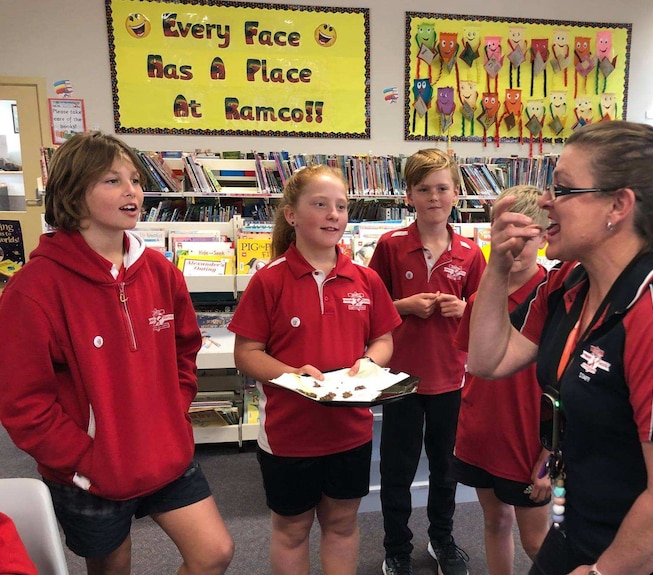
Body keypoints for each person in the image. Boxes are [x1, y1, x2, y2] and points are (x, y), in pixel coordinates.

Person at [467, 121, 653, 575]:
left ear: (618, 204)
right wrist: (496, 269)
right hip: (592, 524)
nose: (546, 201)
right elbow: (488, 360)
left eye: (563, 188)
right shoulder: (571, 282)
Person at [0, 131, 234, 575]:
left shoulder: (161, 271)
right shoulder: (33, 289)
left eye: (134, 179)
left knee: (214, 553)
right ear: (72, 193)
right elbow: (22, 402)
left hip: (166, 452)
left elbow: (186, 347)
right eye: (112, 180)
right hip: (92, 471)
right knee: (112, 570)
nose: (133, 191)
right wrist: (83, 458)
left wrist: (175, 412)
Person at [229, 165, 401, 575]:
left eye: (341, 206)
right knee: (292, 529)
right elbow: (246, 353)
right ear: (291, 215)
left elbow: (384, 340)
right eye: (320, 204)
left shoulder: (366, 279)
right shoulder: (269, 281)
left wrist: (370, 362)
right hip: (290, 436)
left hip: (350, 431)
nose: (333, 215)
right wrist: (291, 375)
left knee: (342, 525)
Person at [369, 148, 486, 575]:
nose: (434, 197)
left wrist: (464, 309)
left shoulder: (471, 252)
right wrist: (402, 305)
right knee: (396, 468)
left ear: (457, 192)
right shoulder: (391, 245)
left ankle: (443, 538)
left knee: (445, 467)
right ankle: (396, 547)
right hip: (400, 379)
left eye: (442, 188)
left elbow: (483, 310)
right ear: (409, 195)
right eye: (424, 189)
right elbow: (370, 305)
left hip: (451, 378)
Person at [453, 185, 551, 575]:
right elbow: (471, 362)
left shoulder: (553, 297)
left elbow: (565, 388)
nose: (514, 247)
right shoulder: (481, 297)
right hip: (481, 434)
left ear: (544, 237)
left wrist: (551, 454)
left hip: (529, 444)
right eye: (505, 234)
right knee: (494, 523)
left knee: (539, 540)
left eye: (526, 237)